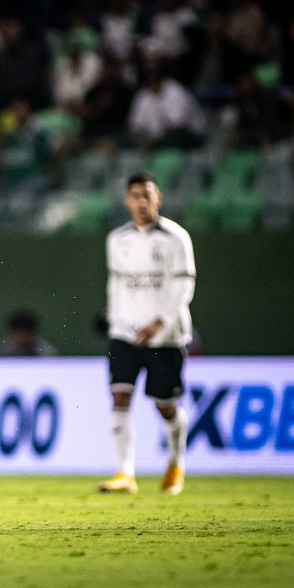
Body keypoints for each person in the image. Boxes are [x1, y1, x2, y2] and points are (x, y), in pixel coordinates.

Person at [100, 172, 195, 496]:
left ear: (158, 198)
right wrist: (116, 323)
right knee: (120, 396)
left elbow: (184, 286)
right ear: (127, 200)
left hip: (165, 337)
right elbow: (118, 285)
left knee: (164, 404)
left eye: (147, 195)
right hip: (125, 335)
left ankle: (175, 463)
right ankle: (125, 473)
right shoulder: (117, 239)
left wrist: (160, 322)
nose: (141, 202)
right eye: (135, 195)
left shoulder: (175, 238)